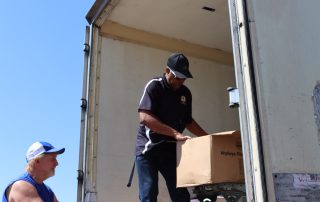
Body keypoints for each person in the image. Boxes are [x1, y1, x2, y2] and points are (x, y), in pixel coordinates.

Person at [135, 53, 208, 202]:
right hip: (148, 150)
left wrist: (207, 138)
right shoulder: (154, 85)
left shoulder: (185, 94)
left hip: (170, 151)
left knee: (181, 195)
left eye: (184, 78)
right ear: (167, 71)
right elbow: (144, 117)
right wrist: (175, 133)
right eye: (178, 77)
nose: (181, 81)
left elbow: (188, 121)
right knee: (148, 194)